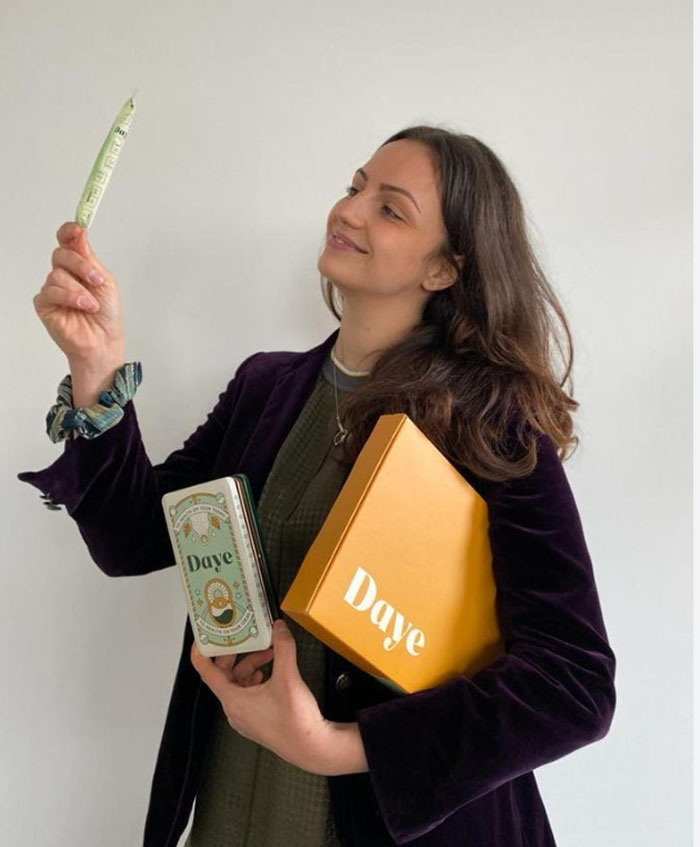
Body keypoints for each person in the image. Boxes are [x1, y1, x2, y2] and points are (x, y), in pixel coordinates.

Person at [18, 127, 617, 847]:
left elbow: (573, 683)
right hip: (234, 803)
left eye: (390, 208)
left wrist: (338, 746)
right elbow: (136, 537)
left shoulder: (488, 420)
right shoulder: (265, 387)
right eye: (355, 185)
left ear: (443, 269)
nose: (350, 210)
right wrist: (97, 369)